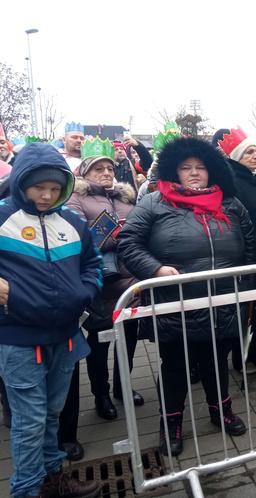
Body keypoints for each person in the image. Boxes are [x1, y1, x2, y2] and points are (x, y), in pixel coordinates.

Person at [118, 137, 253, 456]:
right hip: (174, 303)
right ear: (173, 171)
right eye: (186, 168)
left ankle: (221, 410)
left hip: (221, 301)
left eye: (200, 167)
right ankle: (171, 424)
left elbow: (250, 243)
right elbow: (128, 243)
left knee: (217, 362)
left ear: (211, 171)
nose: (194, 173)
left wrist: (241, 280)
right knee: (175, 366)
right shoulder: (154, 202)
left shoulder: (230, 203)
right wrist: (155, 269)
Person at [0, 143, 102, 498]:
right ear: (21, 183)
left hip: (66, 335)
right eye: (38, 186)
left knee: (51, 415)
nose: (46, 195)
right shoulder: (2, 218)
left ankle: (52, 478)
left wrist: (84, 292)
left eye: (54, 188)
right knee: (28, 422)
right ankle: (26, 491)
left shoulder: (72, 222)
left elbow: (93, 264)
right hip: (18, 340)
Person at [67, 150, 143, 422]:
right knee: (100, 343)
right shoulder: (76, 198)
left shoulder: (126, 199)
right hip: (99, 283)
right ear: (85, 174)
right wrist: (119, 234)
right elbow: (81, 238)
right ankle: (101, 394)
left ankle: (124, 386)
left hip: (130, 280)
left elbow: (140, 233)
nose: (106, 173)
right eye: (98, 169)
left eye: (109, 169)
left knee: (130, 338)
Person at [218, 128, 256, 374]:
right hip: (245, 254)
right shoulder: (230, 182)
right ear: (236, 156)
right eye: (249, 152)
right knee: (246, 308)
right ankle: (241, 356)